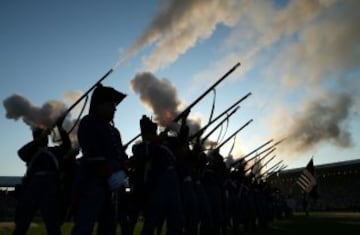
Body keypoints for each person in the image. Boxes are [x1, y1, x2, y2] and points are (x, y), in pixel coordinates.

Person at [71, 83, 128, 235]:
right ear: (99, 105)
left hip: (114, 184)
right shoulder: (88, 122)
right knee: (84, 225)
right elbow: (92, 152)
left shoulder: (114, 131)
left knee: (109, 226)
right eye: (111, 105)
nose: (114, 109)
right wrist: (109, 173)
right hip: (93, 180)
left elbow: (121, 155)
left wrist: (123, 171)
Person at [13, 117, 71, 235]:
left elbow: (67, 146)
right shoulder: (31, 152)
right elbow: (21, 153)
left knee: (53, 226)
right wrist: (38, 140)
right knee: (22, 224)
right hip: (32, 188)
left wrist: (60, 128)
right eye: (40, 134)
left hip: (50, 188)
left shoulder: (54, 151)